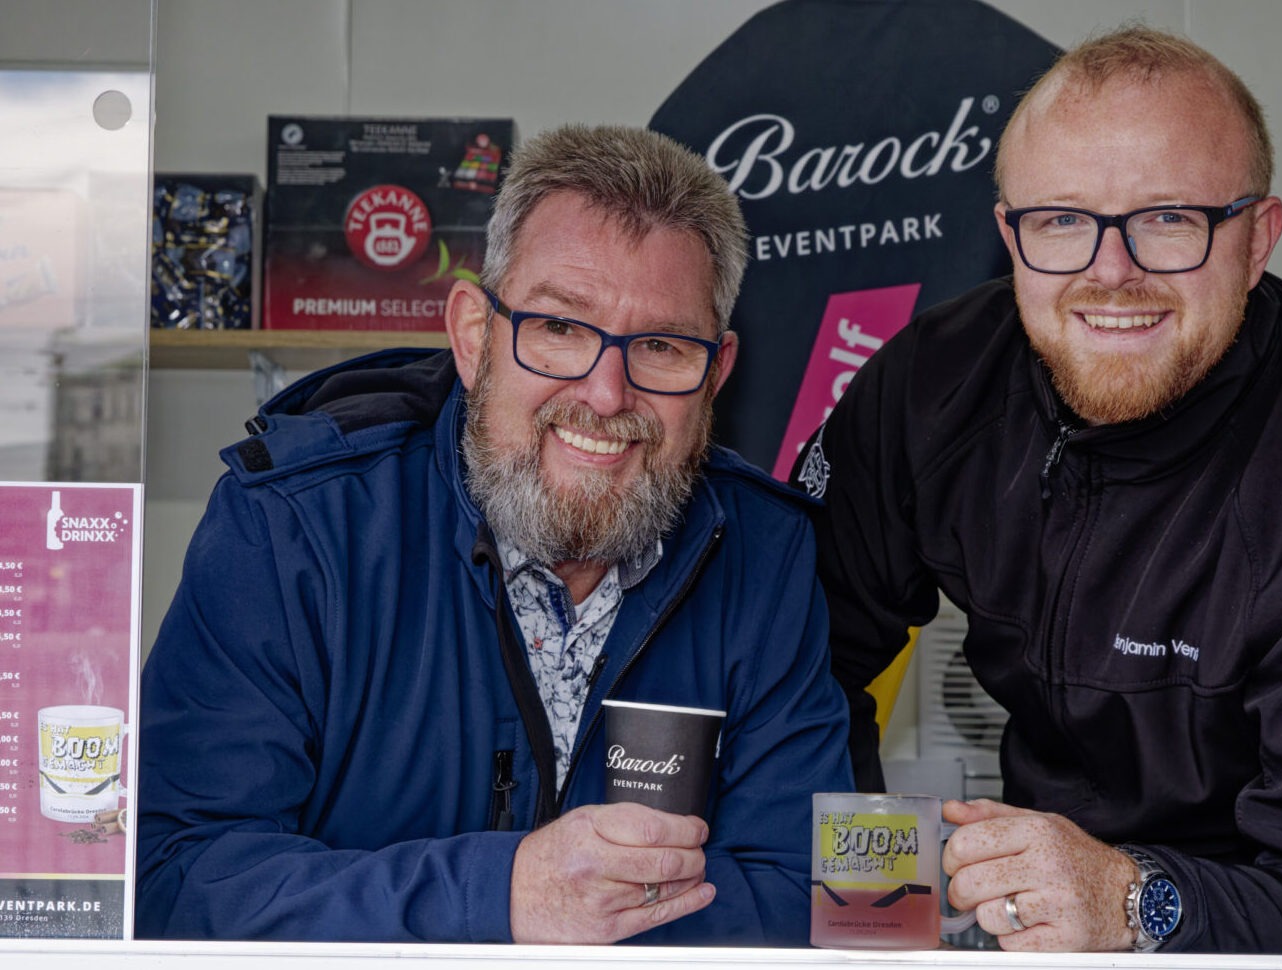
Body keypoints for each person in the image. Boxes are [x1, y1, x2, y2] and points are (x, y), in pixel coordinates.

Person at [789, 26, 1282, 954]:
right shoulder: (929, 386)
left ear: (1257, 239)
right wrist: (874, 905)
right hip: (1028, 914)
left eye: (1168, 219)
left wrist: (1132, 902)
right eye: (1062, 220)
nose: (1112, 272)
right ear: (1008, 235)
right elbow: (794, 663)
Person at [138, 124, 853, 944]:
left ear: (716, 371)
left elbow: (807, 894)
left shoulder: (764, 551)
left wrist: (584, 908)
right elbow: (176, 875)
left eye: (660, 346)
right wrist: (502, 896)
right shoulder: (291, 528)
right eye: (559, 329)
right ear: (476, 337)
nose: (607, 394)